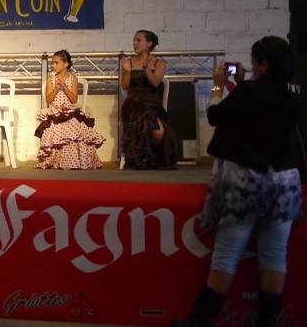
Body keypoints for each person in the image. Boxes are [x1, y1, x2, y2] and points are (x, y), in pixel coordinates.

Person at [173, 36, 302, 327]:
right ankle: (267, 321)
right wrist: (243, 84)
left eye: (255, 62)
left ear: (264, 65)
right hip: (284, 182)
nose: (252, 67)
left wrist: (219, 87)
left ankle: (200, 321)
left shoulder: (247, 92)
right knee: (274, 257)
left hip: (246, 181)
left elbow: (216, 116)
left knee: (226, 254)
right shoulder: (293, 98)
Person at [34, 50, 105, 169]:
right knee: (55, 129)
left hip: (69, 111)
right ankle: (57, 160)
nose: (54, 65)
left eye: (57, 63)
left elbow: (73, 99)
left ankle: (75, 161)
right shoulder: (51, 79)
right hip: (55, 112)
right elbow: (49, 100)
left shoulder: (73, 79)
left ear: (66, 64)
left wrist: (65, 86)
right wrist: (56, 88)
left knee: (76, 130)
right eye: (53, 63)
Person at [120, 29, 178, 170]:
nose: (135, 43)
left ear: (149, 43)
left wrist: (146, 68)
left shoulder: (159, 63)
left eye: (139, 40)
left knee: (159, 132)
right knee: (140, 118)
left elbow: (155, 83)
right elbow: (125, 86)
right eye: (134, 40)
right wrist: (127, 72)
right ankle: (141, 159)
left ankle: (151, 158)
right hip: (133, 104)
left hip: (151, 104)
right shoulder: (129, 62)